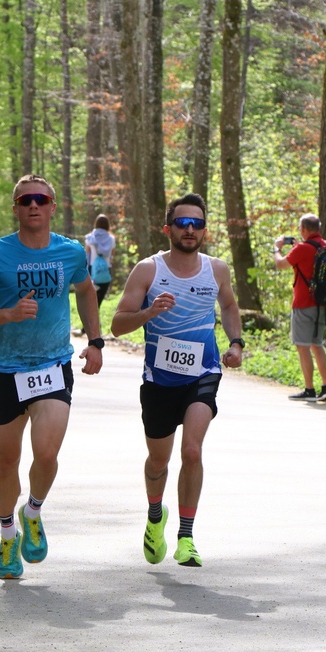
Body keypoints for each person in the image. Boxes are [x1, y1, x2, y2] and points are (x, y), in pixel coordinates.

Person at [0, 174, 104, 580]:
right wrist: (7, 314)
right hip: (6, 368)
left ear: (53, 206)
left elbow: (85, 290)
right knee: (7, 461)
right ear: (16, 208)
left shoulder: (71, 252)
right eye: (26, 200)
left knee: (46, 453)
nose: (34, 205)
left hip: (52, 365)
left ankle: (34, 511)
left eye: (41, 199)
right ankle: (8, 534)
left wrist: (95, 340)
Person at [110, 193, 244, 569]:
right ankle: (156, 516)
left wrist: (235, 343)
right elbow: (117, 324)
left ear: (204, 231)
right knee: (158, 461)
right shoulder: (148, 271)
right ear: (167, 229)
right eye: (182, 223)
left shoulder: (217, 270)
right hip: (159, 380)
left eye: (197, 224)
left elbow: (229, 306)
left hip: (203, 372)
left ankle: (186, 537)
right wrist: (149, 312)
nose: (190, 230)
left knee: (192, 451)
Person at [273, 213, 326, 401]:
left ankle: (309, 389)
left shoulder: (302, 248)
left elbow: (281, 264)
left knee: (303, 346)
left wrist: (276, 248)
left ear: (303, 229)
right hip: (324, 304)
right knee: (317, 344)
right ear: (319, 228)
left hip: (303, 303)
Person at [84, 214, 116, 306]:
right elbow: (112, 254)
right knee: (100, 296)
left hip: (92, 269)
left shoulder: (90, 237)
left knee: (91, 296)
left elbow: (86, 253)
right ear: (108, 225)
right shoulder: (111, 239)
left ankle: (91, 311)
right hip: (106, 269)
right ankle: (97, 310)